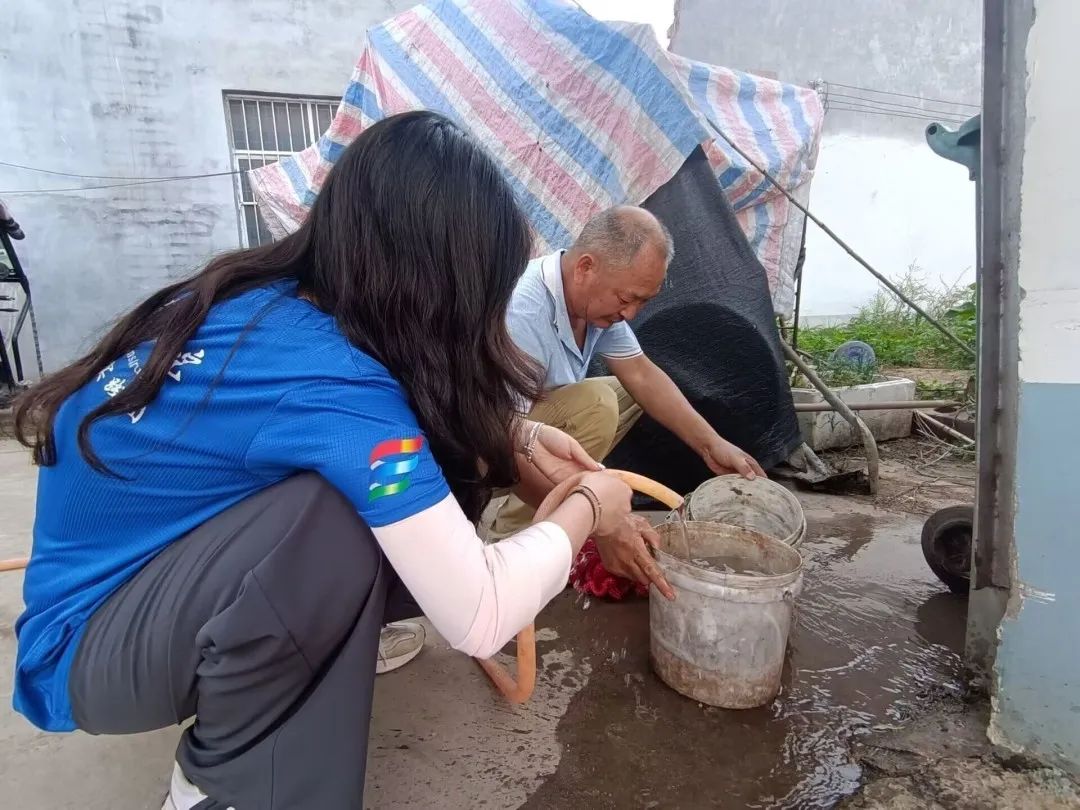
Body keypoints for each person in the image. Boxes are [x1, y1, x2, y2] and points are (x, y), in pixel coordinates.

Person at [10, 111, 636, 810]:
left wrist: (515, 436)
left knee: (403, 502)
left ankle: (296, 661)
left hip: (130, 597)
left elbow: (399, 419)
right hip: (86, 649)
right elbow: (482, 614)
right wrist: (591, 506)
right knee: (331, 524)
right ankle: (222, 791)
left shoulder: (266, 301)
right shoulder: (333, 387)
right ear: (437, 285)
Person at [495, 206, 766, 581]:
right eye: (627, 299)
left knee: (625, 391)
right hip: (483, 439)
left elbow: (641, 373)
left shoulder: (592, 304)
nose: (632, 314)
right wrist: (602, 521)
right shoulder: (524, 312)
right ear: (586, 267)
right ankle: (511, 538)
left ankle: (563, 511)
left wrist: (711, 444)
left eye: (643, 302)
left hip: (528, 420)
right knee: (598, 405)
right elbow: (501, 436)